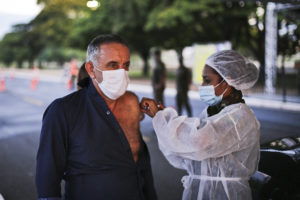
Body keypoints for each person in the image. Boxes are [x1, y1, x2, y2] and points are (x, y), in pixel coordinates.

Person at [36, 34, 157, 200]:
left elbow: (141, 166)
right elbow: (47, 175)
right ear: (91, 69)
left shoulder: (131, 103)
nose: (121, 72)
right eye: (113, 65)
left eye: (126, 65)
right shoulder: (63, 110)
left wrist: (163, 118)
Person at [140, 50, 260, 200]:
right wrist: (165, 123)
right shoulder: (212, 112)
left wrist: (163, 118)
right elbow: (183, 154)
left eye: (207, 81)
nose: (202, 85)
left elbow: (197, 142)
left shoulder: (240, 117)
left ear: (227, 82)